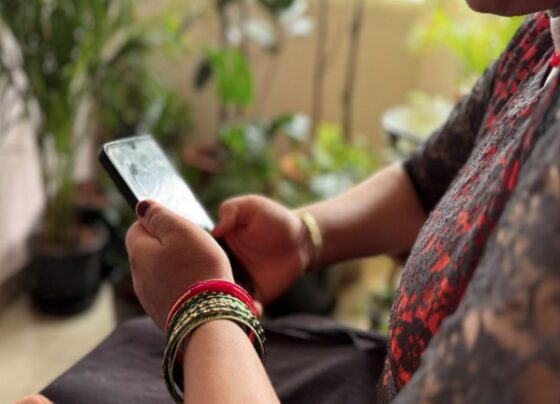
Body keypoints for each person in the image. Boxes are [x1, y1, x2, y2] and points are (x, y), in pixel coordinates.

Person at [38, 1, 560, 403]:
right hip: (376, 375)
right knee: (123, 352)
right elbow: (424, 183)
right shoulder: (541, 38)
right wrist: (305, 237)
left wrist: (202, 305)